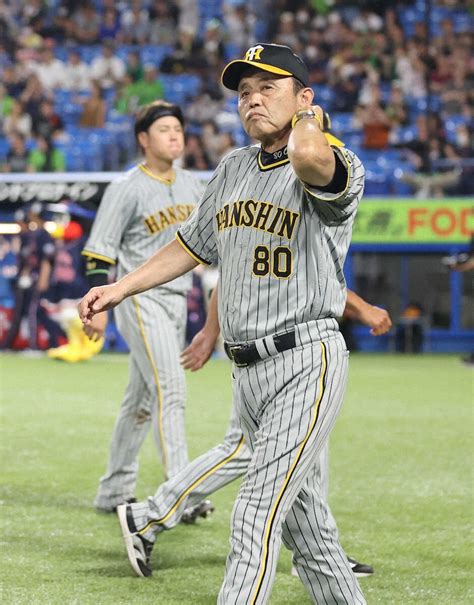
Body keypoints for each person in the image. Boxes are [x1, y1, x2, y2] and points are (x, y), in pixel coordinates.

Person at [80, 44, 367, 603]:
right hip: (248, 373)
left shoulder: (334, 159)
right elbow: (189, 246)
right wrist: (118, 287)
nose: (252, 99)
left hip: (305, 358)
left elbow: (308, 161)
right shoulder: (233, 168)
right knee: (308, 535)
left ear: (305, 99)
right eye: (244, 92)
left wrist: (309, 118)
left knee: (256, 512)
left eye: (269, 87)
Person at [81, 100, 205, 513]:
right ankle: (180, 494)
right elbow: (100, 252)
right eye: (164, 128)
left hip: (177, 301)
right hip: (138, 299)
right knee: (170, 389)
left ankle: (114, 491)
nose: (174, 135)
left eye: (178, 129)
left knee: (140, 402)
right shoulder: (126, 187)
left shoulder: (194, 186)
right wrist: (99, 306)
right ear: (143, 139)